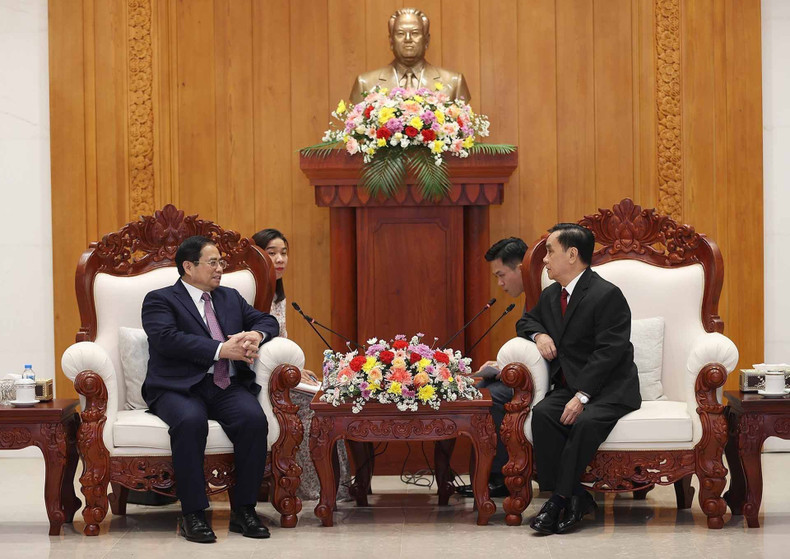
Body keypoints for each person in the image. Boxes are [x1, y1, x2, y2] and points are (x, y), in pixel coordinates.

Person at [142, 236, 280, 543]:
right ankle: (193, 514)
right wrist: (221, 350)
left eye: (221, 262)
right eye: (213, 262)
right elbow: (167, 339)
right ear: (189, 267)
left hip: (224, 385)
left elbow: (267, 320)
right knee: (190, 423)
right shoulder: (160, 299)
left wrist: (256, 334)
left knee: (253, 421)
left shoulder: (230, 297)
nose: (220, 268)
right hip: (176, 388)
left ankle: (243, 512)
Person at [516, 224, 641, 535]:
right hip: (572, 384)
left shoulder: (606, 295)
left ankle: (558, 499)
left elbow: (609, 352)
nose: (544, 259)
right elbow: (525, 320)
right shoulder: (551, 295)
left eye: (549, 251)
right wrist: (539, 333)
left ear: (572, 255)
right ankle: (578, 497)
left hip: (611, 388)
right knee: (544, 414)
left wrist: (583, 395)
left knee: (583, 423)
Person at [252, 228, 352, 502]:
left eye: (283, 252)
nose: (280, 259)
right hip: (258, 381)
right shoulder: (248, 294)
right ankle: (312, 487)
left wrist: (298, 370)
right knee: (312, 407)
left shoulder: (277, 295)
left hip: (280, 373)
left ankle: (340, 485)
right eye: (271, 253)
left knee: (326, 396)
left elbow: (279, 341)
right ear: (256, 256)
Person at [456, 237, 527, 498]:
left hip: (549, 382)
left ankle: (500, 476)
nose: (499, 283)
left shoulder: (545, 295)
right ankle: (487, 475)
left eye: (501, 275)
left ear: (520, 268)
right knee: (484, 388)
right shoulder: (533, 296)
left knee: (489, 397)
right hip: (527, 374)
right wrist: (501, 365)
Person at [349, 8, 471, 104]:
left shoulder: (454, 82)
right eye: (400, 33)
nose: (408, 39)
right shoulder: (365, 84)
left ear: (426, 40)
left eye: (415, 33)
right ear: (391, 41)